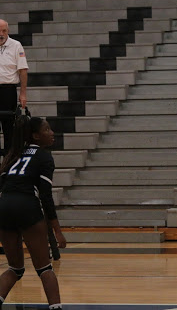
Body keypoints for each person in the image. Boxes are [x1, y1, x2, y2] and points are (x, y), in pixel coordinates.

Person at [0, 115, 66, 309]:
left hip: (4, 207)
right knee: (45, 268)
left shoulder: (12, 154)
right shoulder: (44, 157)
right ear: (36, 136)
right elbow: (46, 197)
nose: (52, 133)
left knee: (15, 268)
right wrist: (58, 231)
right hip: (27, 206)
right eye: (47, 130)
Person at [0, 19, 28, 158]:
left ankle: (8, 163)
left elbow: (23, 70)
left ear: (8, 31)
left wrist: (23, 94)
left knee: (8, 128)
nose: (1, 34)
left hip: (8, 90)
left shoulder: (16, 45)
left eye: (4, 31)